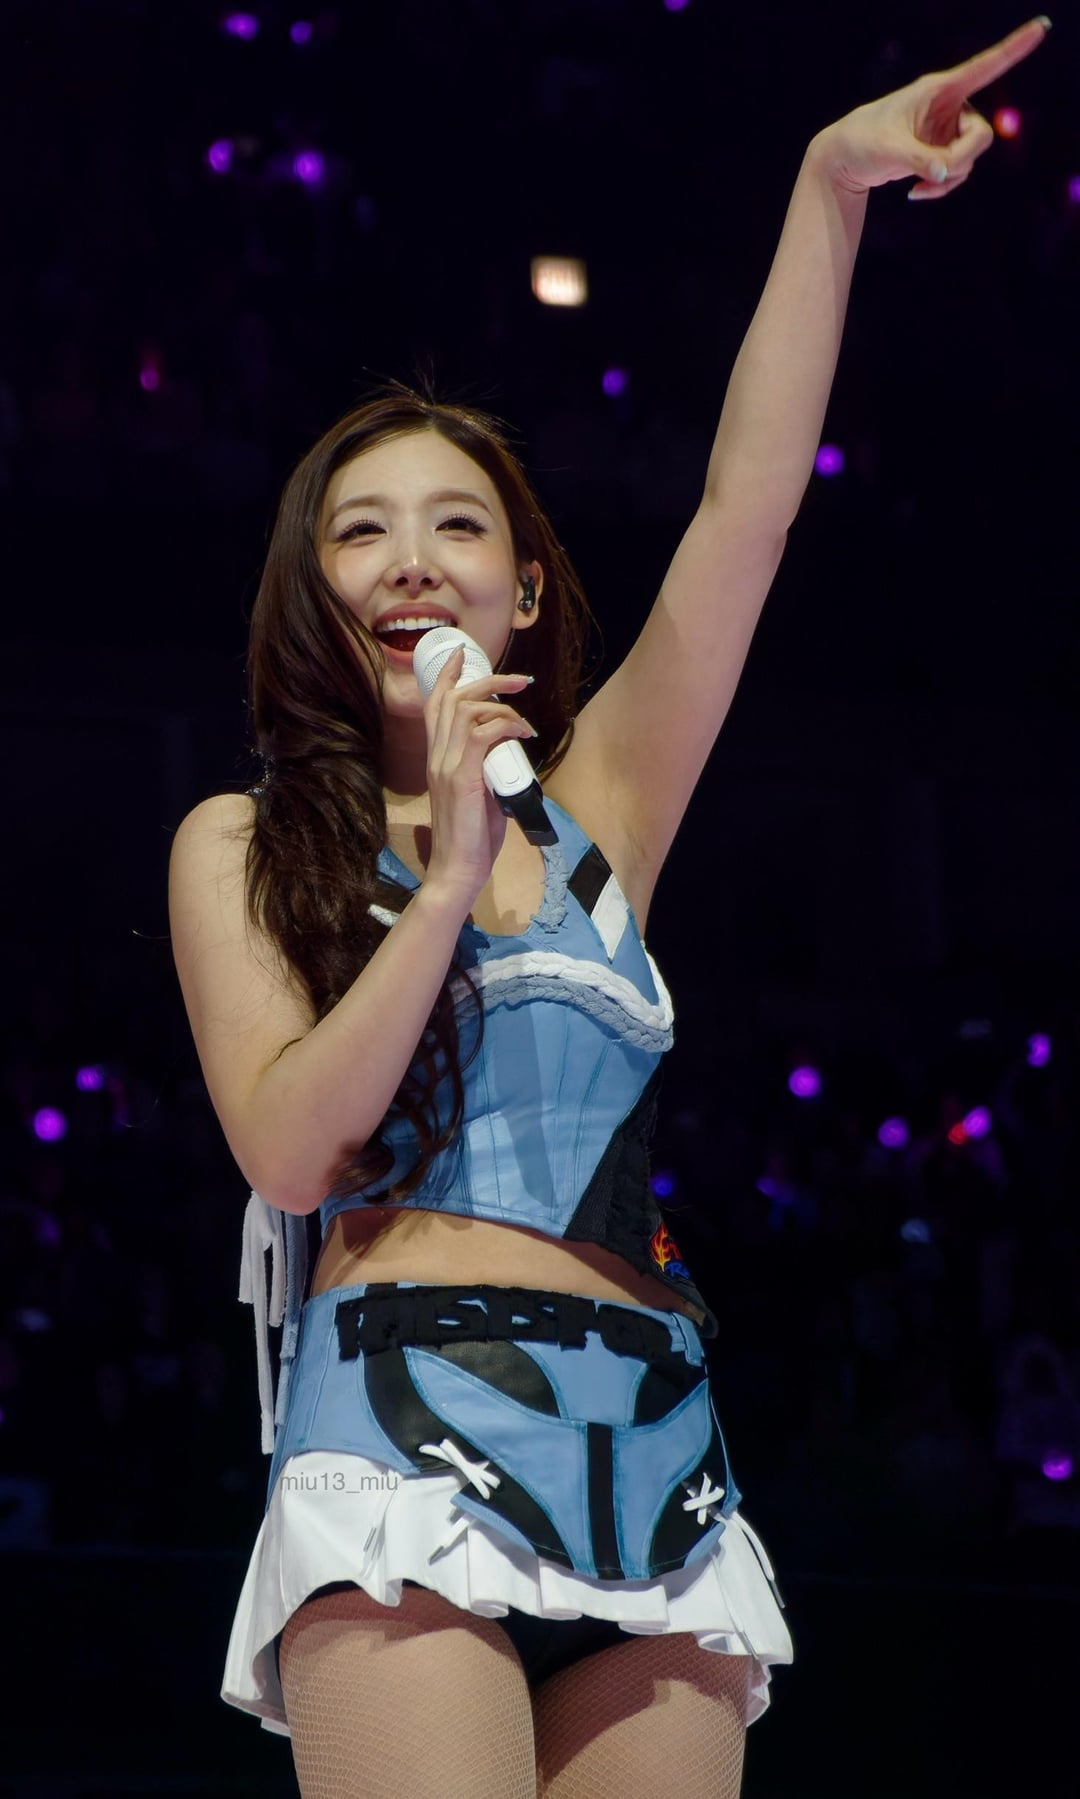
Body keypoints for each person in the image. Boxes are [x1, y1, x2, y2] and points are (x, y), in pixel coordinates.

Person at [168, 20, 1049, 1797]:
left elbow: (745, 512)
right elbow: (291, 1151)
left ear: (521, 588)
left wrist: (829, 184)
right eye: (361, 530)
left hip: (655, 1434)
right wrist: (446, 884)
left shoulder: (606, 805)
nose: (414, 558)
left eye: (458, 526)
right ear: (312, 596)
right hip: (398, 1430)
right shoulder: (243, 843)